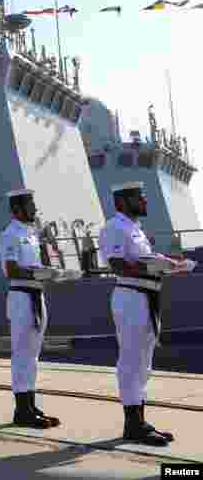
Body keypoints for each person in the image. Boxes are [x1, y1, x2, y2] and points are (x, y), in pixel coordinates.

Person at [100, 181, 195, 446]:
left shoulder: (135, 230)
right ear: (122, 202)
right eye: (138, 198)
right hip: (131, 297)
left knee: (144, 362)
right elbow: (118, 265)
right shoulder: (114, 228)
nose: (144, 201)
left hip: (147, 297)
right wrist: (157, 267)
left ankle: (139, 420)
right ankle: (132, 424)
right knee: (131, 361)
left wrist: (169, 265)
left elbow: (142, 262)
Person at [0, 189, 62, 428]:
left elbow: (33, 266)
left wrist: (51, 273)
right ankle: (22, 409)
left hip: (36, 295)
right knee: (22, 354)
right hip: (21, 298)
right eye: (30, 205)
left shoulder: (31, 234)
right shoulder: (9, 235)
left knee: (33, 355)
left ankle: (31, 404)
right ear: (17, 209)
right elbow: (11, 269)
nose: (34, 209)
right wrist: (40, 272)